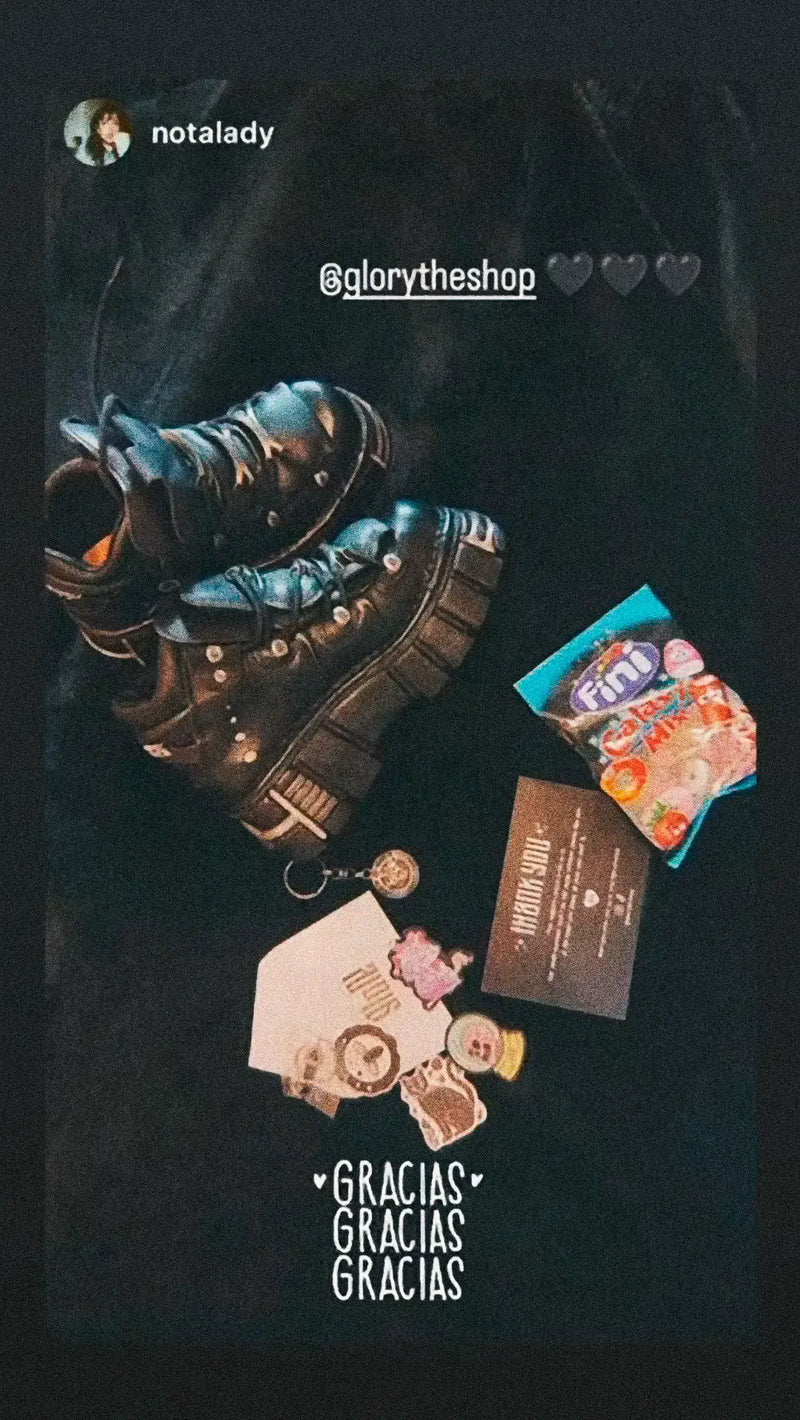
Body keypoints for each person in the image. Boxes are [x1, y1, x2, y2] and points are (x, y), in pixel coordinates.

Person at [81, 100, 131, 166]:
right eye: (105, 122)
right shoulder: (88, 153)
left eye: (116, 123)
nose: (111, 127)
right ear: (98, 129)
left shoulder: (123, 143)